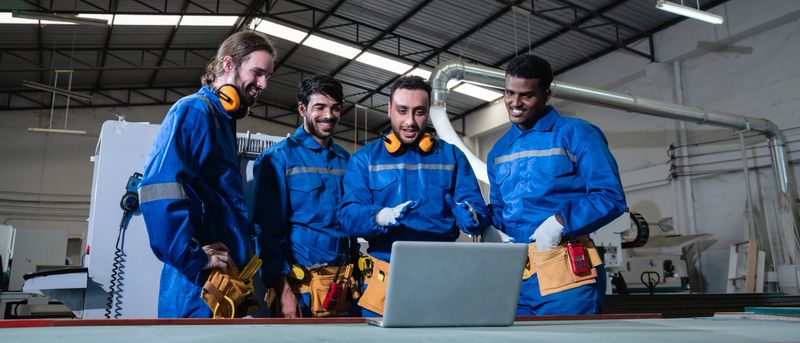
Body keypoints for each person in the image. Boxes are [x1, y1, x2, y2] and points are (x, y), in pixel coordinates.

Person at [138, 31, 275, 318]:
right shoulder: (195, 112)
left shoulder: (222, 121)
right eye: (258, 73)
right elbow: (159, 191)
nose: (263, 84)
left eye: (267, 77)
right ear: (228, 65)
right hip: (197, 287)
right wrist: (194, 257)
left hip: (221, 283)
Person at [487, 54, 627, 316]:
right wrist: (489, 226)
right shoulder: (499, 149)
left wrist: (560, 222)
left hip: (565, 271)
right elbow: (499, 207)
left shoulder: (578, 134)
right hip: (513, 275)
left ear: (546, 94)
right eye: (509, 93)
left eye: (526, 95)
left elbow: (610, 196)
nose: (514, 103)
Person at [338, 75, 489, 317]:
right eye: (402, 111)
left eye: (419, 112)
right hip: (384, 281)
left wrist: (471, 215)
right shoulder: (364, 160)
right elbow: (347, 216)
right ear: (389, 110)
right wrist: (378, 217)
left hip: (442, 278)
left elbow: (477, 211)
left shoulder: (452, 157)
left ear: (428, 112)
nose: (410, 121)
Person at [253, 75, 357, 318]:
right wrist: (282, 288)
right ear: (302, 109)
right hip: (300, 290)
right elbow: (267, 230)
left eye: (335, 108)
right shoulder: (278, 158)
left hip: (342, 287)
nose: (328, 115)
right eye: (319, 107)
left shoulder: (346, 160)